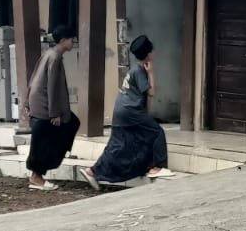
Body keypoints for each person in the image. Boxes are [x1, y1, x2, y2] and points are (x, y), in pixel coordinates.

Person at [83, 34, 174, 188]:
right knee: (157, 131)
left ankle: (92, 171)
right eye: (152, 51)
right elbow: (151, 93)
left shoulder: (133, 70)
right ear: (149, 53)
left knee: (118, 145)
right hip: (130, 112)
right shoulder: (140, 72)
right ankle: (157, 167)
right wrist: (151, 72)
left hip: (121, 110)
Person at [25, 26, 80, 191]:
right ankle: (37, 177)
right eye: (71, 39)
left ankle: (39, 174)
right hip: (45, 107)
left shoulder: (49, 53)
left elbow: (33, 77)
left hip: (40, 104)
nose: (73, 42)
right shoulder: (54, 57)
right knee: (46, 141)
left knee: (69, 125)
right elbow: (52, 87)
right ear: (63, 40)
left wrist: (27, 102)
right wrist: (54, 113)